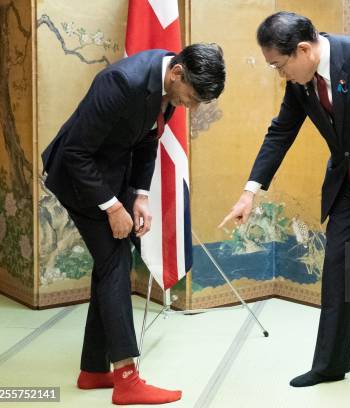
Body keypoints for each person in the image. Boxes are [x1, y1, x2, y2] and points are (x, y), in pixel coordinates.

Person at [219, 12, 350, 400]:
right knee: (335, 271)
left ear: (303, 50)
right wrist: (250, 191)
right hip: (348, 184)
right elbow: (281, 131)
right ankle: (330, 365)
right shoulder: (302, 81)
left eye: (279, 66)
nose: (280, 74)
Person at [42, 44, 225, 405]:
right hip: (77, 177)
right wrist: (112, 207)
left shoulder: (169, 85)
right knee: (115, 264)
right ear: (176, 74)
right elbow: (76, 152)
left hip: (111, 173)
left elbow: (147, 139)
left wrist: (140, 195)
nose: (192, 107)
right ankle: (126, 379)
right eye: (191, 97)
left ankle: (94, 370)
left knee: (111, 264)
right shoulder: (120, 82)